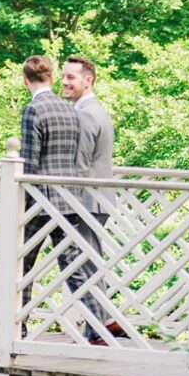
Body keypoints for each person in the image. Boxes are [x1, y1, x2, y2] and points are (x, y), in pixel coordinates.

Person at [62, 54, 125, 341]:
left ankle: (97, 327)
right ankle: (103, 322)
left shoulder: (85, 114)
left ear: (88, 80)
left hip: (86, 201)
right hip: (97, 198)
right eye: (63, 76)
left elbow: (80, 165)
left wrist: (63, 196)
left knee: (78, 264)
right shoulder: (96, 109)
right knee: (89, 262)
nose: (64, 82)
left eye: (71, 77)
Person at [18, 55, 80, 333]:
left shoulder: (33, 110)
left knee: (21, 265)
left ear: (25, 80)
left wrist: (21, 203)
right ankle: (96, 328)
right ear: (52, 78)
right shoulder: (69, 109)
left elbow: (28, 162)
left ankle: (16, 327)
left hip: (39, 201)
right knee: (72, 265)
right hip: (67, 198)